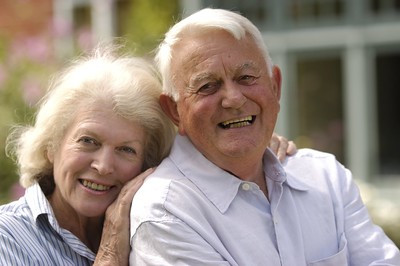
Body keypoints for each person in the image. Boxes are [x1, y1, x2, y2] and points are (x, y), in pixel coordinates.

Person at [129, 8, 400, 265]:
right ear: (174, 111)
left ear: (275, 86)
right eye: (207, 86)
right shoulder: (166, 211)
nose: (233, 99)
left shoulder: (325, 177)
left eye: (246, 77)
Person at [0, 44, 294, 265]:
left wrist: (249, 148)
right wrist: (110, 252)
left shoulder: (158, 220)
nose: (103, 166)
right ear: (51, 145)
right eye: (88, 141)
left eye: (126, 150)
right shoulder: (7, 237)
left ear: (147, 162)